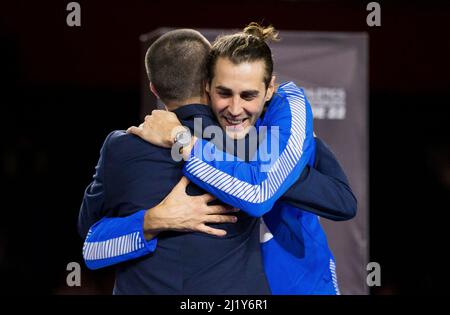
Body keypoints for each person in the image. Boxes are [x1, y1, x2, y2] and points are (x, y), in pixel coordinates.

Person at [79, 25, 356, 294]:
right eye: (226, 93)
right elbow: (340, 201)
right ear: (208, 83)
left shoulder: (119, 147)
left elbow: (90, 240)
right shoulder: (255, 144)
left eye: (247, 95)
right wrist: (156, 219)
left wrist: (150, 221)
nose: (235, 109)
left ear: (153, 88)